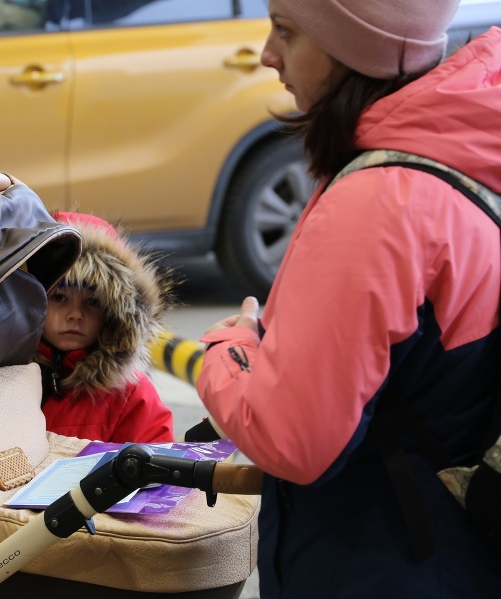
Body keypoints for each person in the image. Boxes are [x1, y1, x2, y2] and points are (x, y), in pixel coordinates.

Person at [194, 1, 501, 597]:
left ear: (357, 49)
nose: (268, 55)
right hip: (452, 553)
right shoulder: (453, 162)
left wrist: (231, 346)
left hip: (379, 562)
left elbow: (293, 439)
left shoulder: (377, 204)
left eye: (287, 32)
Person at [36, 211, 175, 443]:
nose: (76, 315)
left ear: (111, 312)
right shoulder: (3, 377)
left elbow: (158, 467)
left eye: (91, 302)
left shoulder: (131, 395)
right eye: (60, 297)